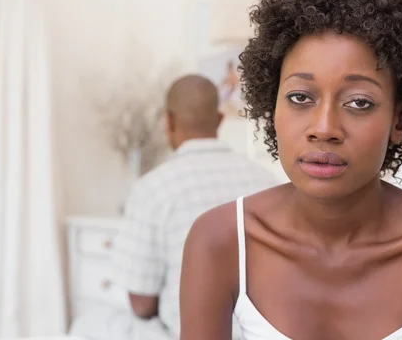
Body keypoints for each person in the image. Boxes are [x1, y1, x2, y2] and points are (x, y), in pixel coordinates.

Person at [180, 0, 402, 340]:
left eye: (359, 102)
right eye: (300, 97)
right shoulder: (220, 241)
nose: (324, 129)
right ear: (272, 106)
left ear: (400, 119)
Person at [70, 74, 279, 340]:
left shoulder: (154, 188)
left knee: (90, 324)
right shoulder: (268, 182)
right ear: (219, 120)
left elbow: (142, 304)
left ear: (168, 121)